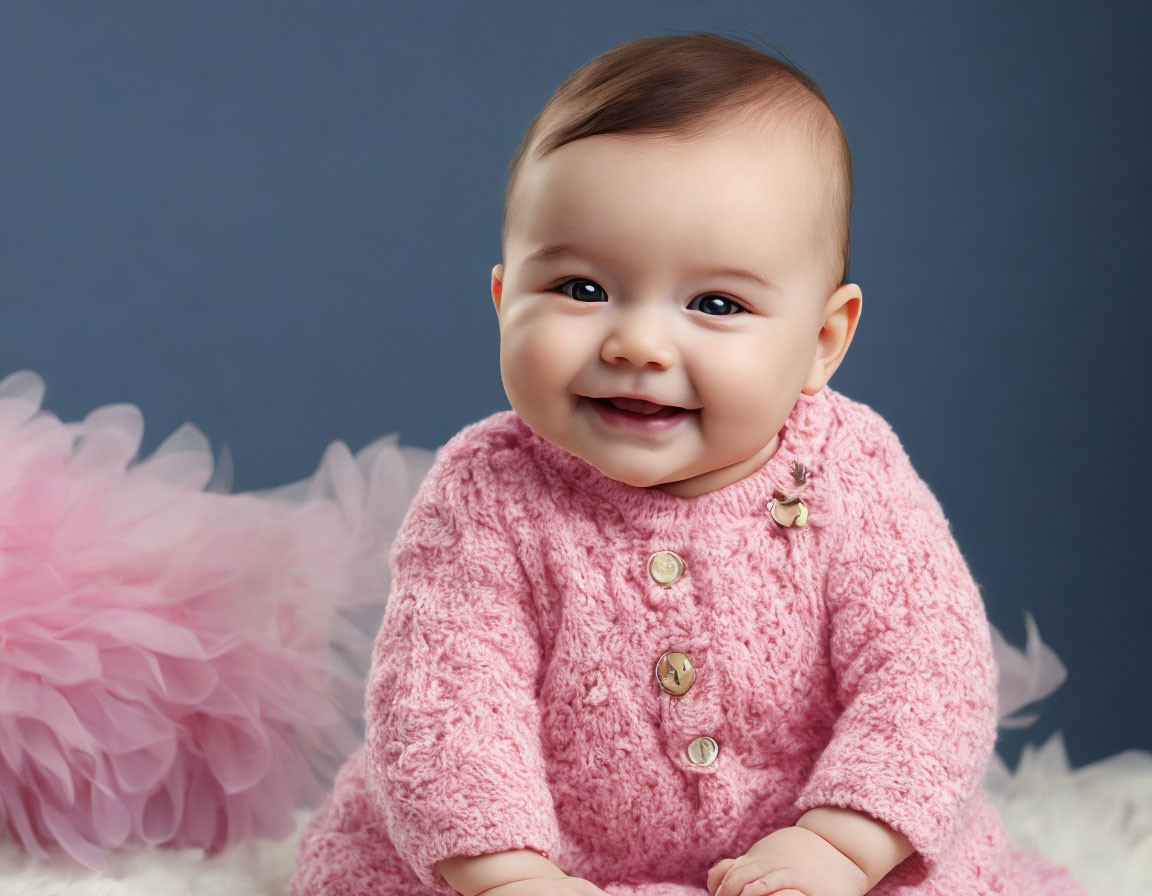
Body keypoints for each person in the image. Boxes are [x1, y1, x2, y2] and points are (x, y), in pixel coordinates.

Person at [290, 32, 1086, 896]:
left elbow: (928, 669)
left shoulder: (848, 473)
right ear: (503, 298)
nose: (636, 343)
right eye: (581, 290)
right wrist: (507, 876)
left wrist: (841, 845)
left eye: (716, 303)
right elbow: (444, 703)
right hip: (541, 859)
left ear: (822, 342)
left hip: (809, 846)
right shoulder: (487, 491)